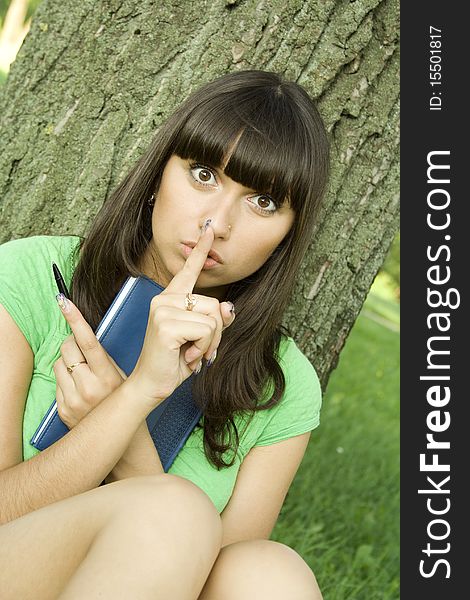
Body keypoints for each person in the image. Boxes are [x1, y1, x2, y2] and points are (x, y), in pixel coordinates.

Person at [0, 70, 330, 599]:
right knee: (176, 511)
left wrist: (125, 413)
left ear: (290, 232)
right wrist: (137, 393)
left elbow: (210, 583)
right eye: (202, 174)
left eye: (263, 202)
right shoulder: (31, 276)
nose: (216, 224)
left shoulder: (282, 382)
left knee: (272, 574)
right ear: (159, 174)